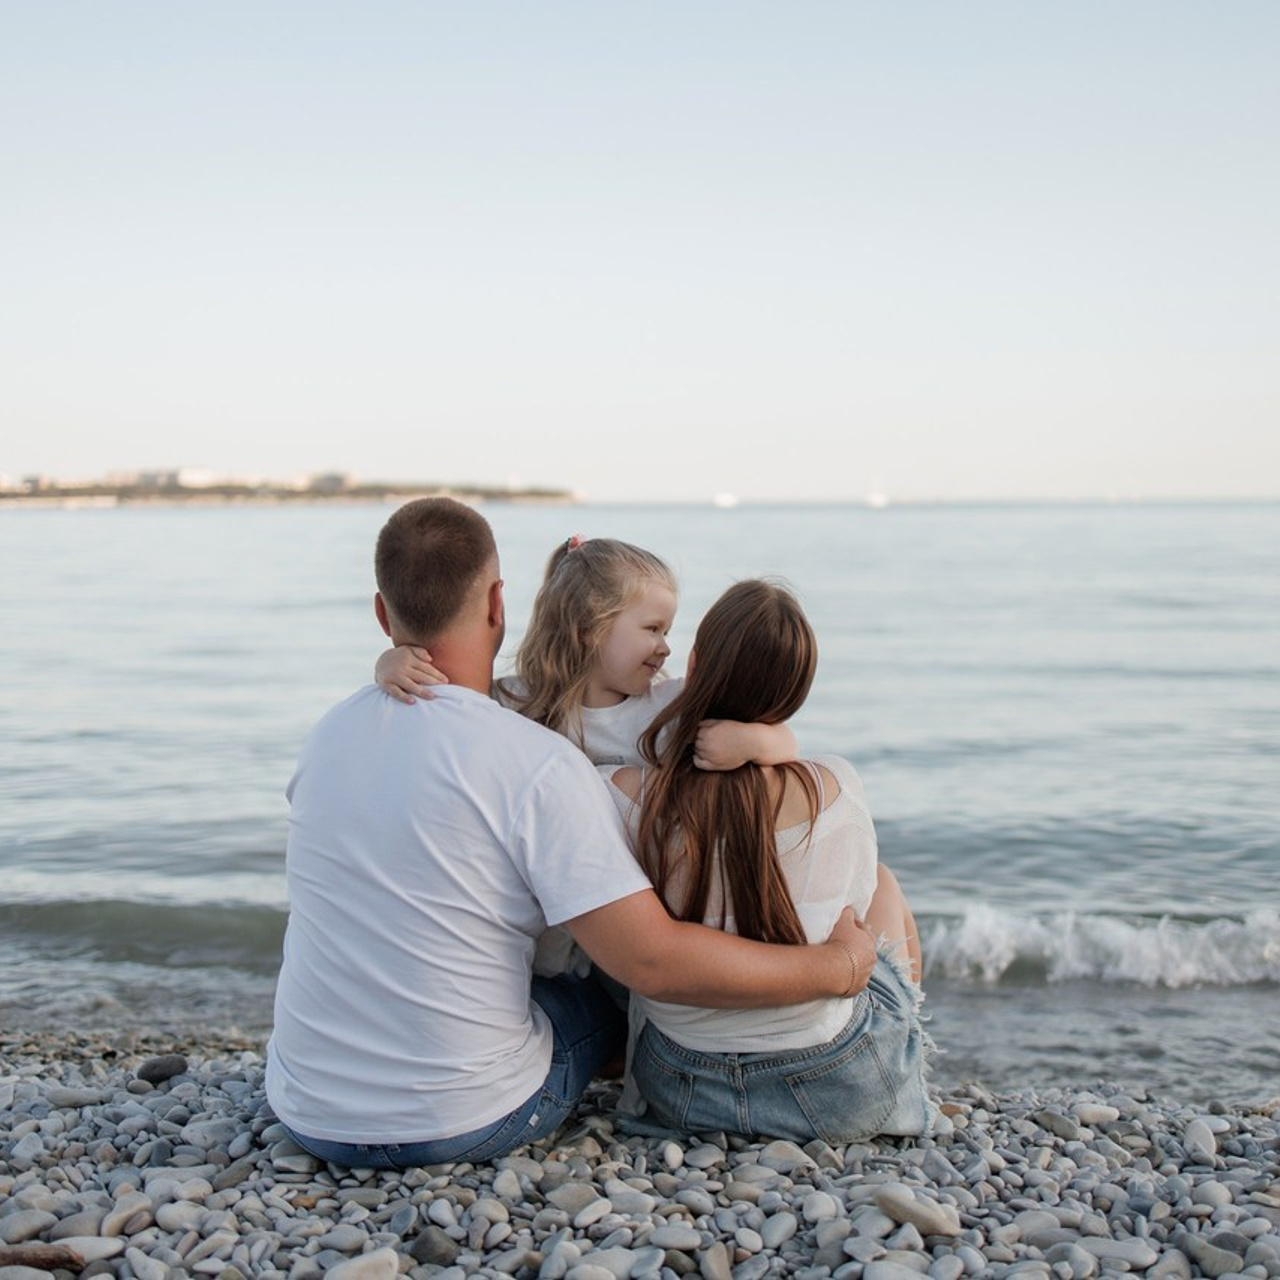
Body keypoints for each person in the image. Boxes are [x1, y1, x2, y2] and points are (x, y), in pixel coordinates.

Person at [266, 498, 878, 1169]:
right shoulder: (531, 746)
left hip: (305, 1105)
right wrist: (837, 967)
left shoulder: (329, 735)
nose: (665, 646)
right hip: (465, 1113)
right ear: (498, 602)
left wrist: (387, 667)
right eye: (652, 627)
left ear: (384, 617)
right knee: (614, 990)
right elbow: (650, 964)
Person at [376, 533, 798, 979]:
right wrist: (391, 663)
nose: (666, 647)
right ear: (589, 627)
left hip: (631, 935)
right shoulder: (515, 701)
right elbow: (441, 689)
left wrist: (754, 744)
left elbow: (787, 744)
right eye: (652, 629)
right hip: (546, 946)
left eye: (668, 631)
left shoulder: (667, 706)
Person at [606, 579, 937, 1144]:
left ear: (695, 663)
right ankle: (909, 1068)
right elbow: (851, 915)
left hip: (682, 1088)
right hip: (836, 1088)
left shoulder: (621, 794)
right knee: (881, 885)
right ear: (796, 694)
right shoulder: (837, 786)